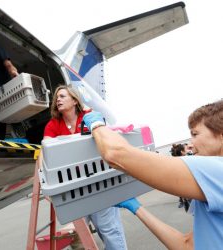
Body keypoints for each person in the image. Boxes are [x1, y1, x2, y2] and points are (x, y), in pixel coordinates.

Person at [83, 100, 223, 249]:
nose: (191, 143)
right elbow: (186, 245)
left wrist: (97, 125)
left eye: (195, 134)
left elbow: (115, 154)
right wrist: (137, 208)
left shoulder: (216, 170)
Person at [43, 85, 128, 250]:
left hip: (99, 183)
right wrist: (47, 184)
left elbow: (106, 138)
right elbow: (44, 153)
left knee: (109, 230)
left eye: (62, 96)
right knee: (78, 238)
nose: (57, 100)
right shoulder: (53, 124)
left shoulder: (88, 116)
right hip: (74, 188)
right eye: (56, 98)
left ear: (74, 100)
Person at [170, 143, 193, 211]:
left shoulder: (177, 161)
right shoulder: (186, 160)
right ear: (182, 152)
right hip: (189, 189)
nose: (188, 149)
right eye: (186, 149)